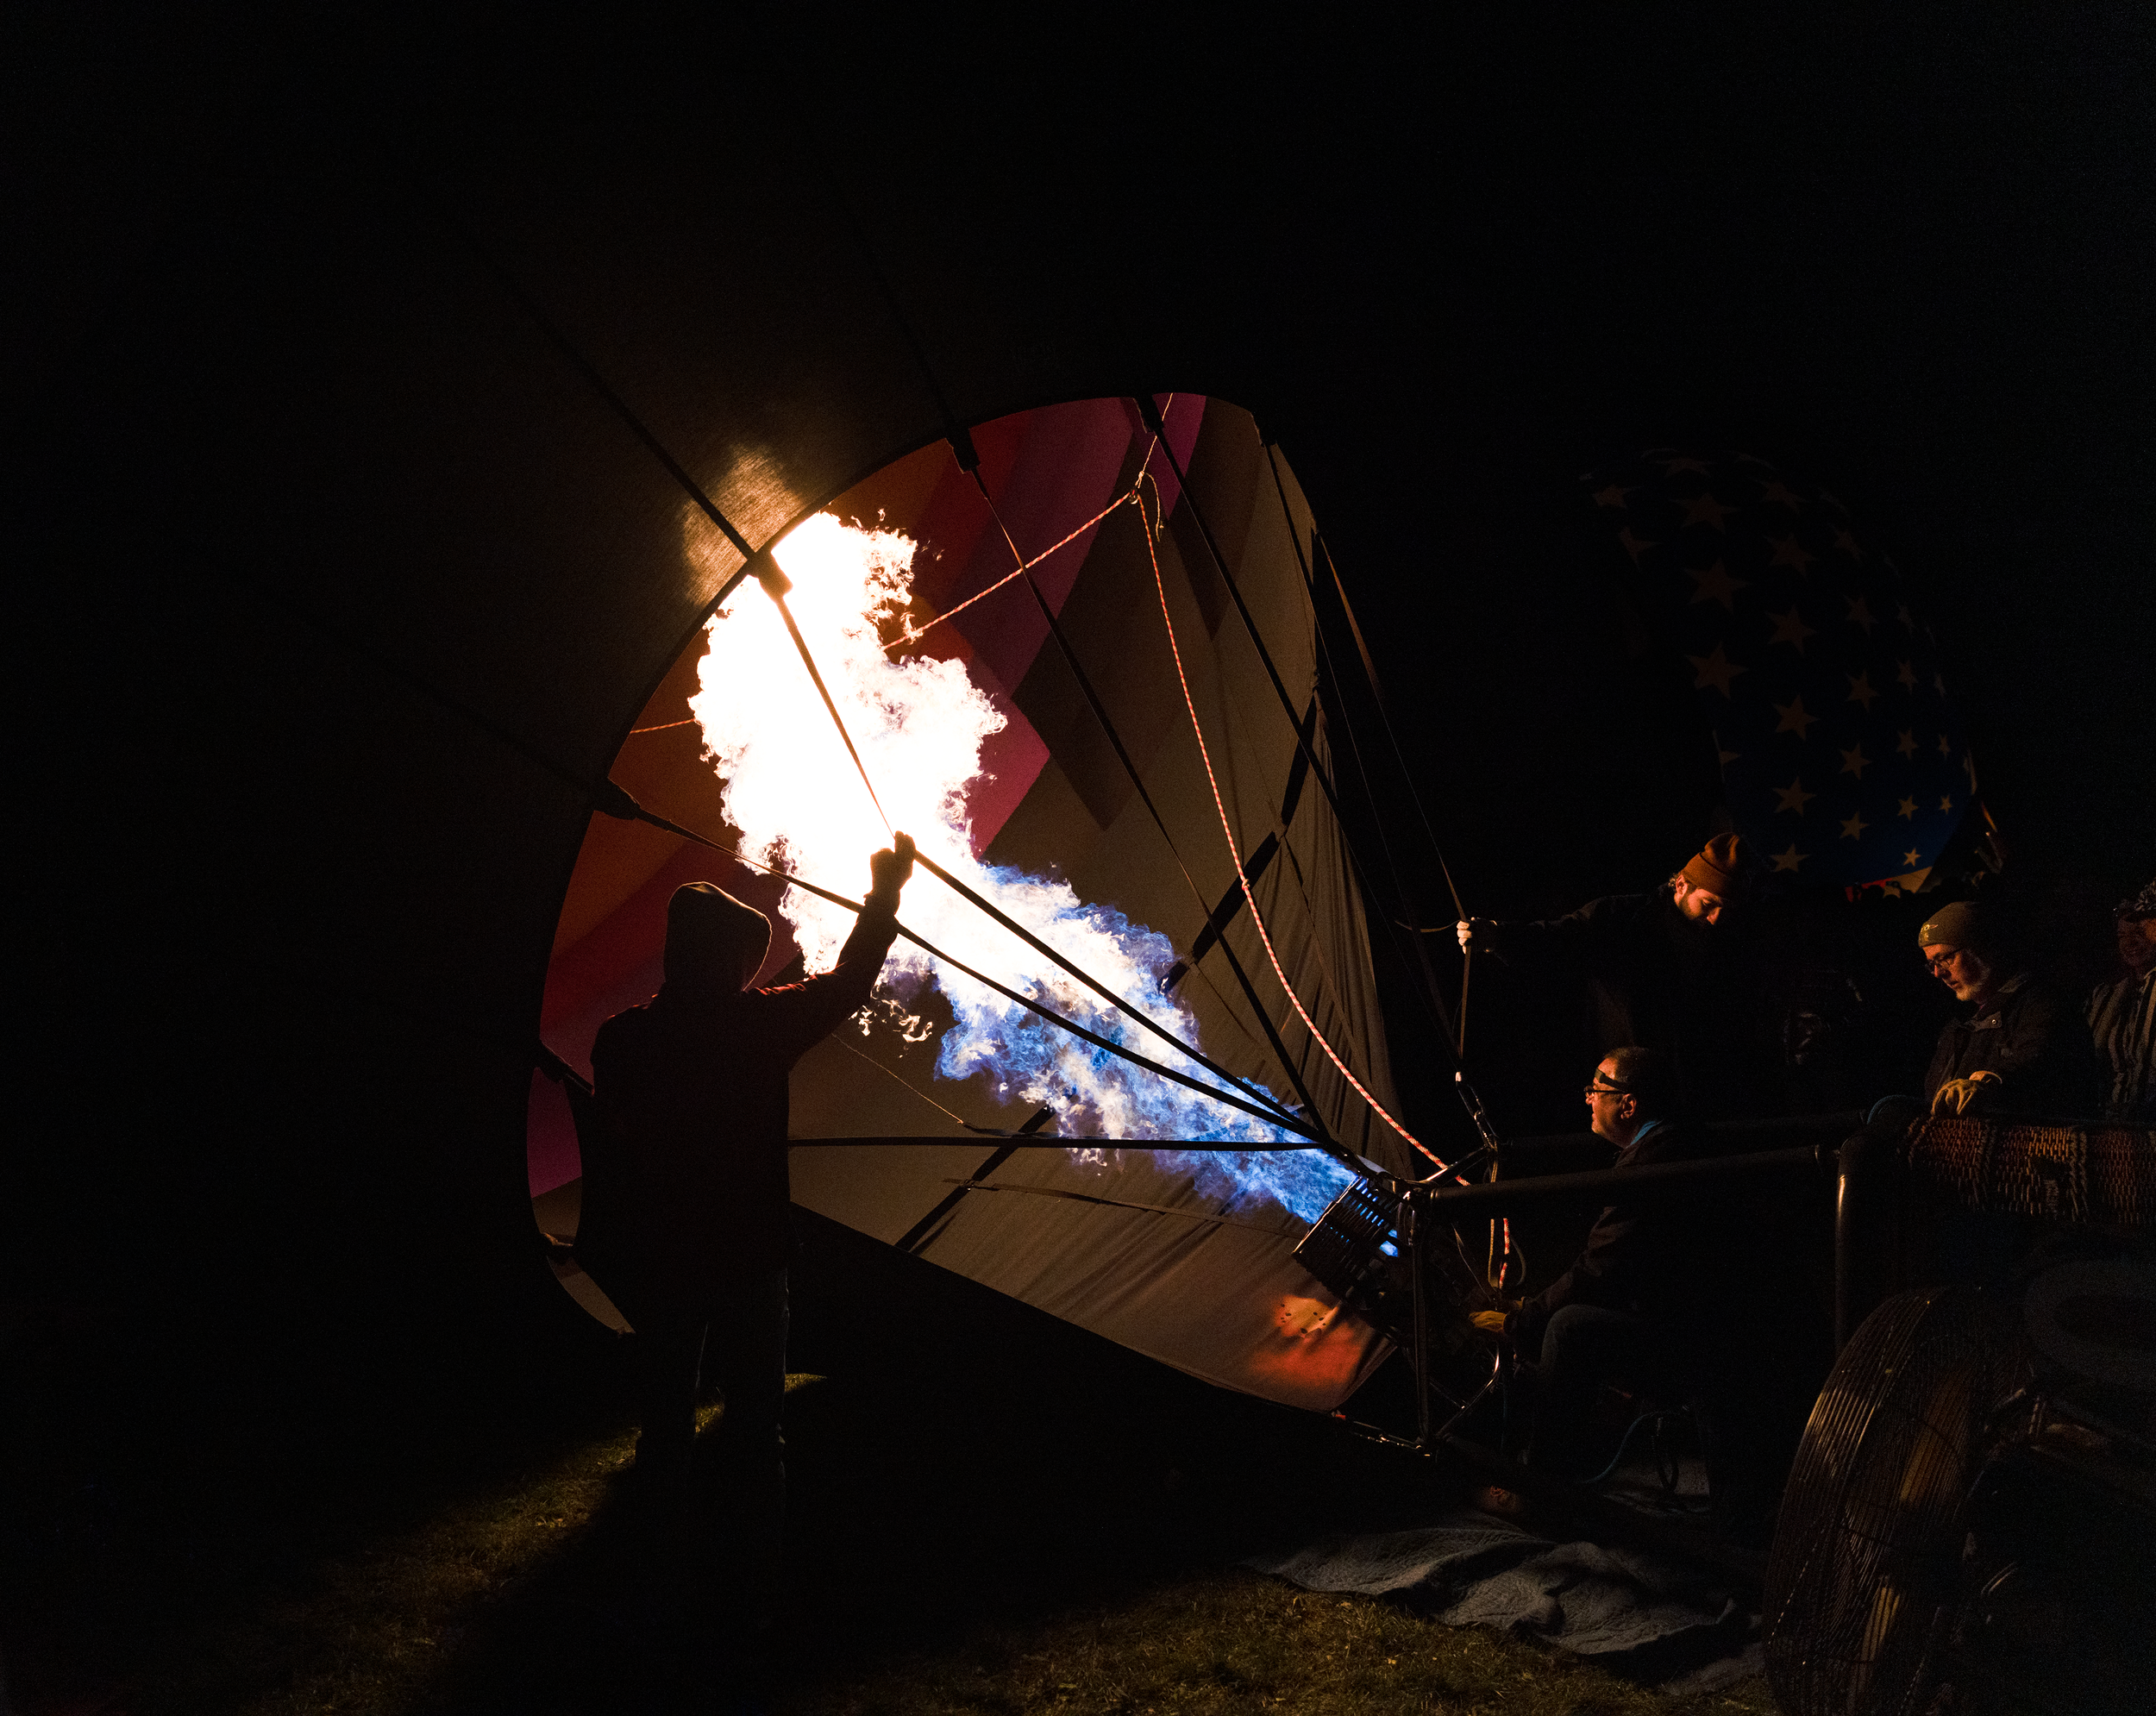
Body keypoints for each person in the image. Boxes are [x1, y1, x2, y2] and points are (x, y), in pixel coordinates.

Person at [580, 834, 916, 1609]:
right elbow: (850, 982)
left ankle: (657, 1573)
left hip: (667, 1258)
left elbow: (617, 1141)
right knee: (756, 1423)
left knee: (666, 1423)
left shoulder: (623, 1039)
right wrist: (884, 895)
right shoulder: (755, 1027)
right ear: (723, 958)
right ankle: (753, 1576)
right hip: (750, 1257)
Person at [1470, 1047, 1728, 1481]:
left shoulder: (1652, 1162)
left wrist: (1523, 1320)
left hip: (1696, 1337)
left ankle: (1544, 1483)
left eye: (1597, 1087)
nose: (1588, 1097)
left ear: (1628, 1103)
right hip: (1703, 1321)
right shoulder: (1675, 1142)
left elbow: (1600, 1268)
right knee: (1570, 1317)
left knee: (1570, 1327)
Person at [1454, 835, 1768, 1117]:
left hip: (1699, 1095)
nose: (1716, 919)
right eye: (1708, 904)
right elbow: (1558, 938)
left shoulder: (1731, 940)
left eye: (1726, 910)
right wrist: (1497, 937)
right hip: (1627, 1094)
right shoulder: (1622, 919)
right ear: (1682, 884)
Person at [1917, 898, 2099, 1118]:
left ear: (1982, 949)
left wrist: (1989, 1080)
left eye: (1945, 958)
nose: (1938, 973)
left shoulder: (2040, 1004)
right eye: (1931, 964)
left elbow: (2037, 1059)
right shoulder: (1957, 1024)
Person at [2087, 879, 2156, 1121]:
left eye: (2139, 932)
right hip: (2104, 1119)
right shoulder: (2104, 995)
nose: (2131, 942)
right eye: (2122, 935)